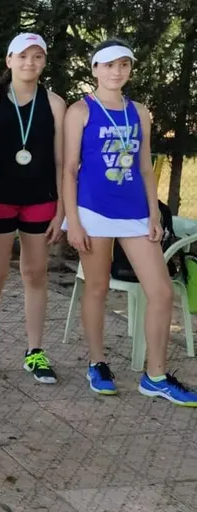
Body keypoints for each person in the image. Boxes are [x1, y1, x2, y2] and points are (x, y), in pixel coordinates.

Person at [62, 39, 197, 405]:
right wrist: (73, 221)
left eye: (123, 64)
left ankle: (155, 376)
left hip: (135, 212)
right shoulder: (80, 110)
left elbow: (144, 167)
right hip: (93, 212)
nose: (117, 71)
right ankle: (97, 363)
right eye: (109, 65)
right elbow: (69, 169)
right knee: (96, 288)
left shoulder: (139, 111)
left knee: (162, 291)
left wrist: (154, 214)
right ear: (95, 69)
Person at [0, 33, 66, 384]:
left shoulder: (55, 103)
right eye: (23, 56)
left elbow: (61, 161)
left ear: (44, 62)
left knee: (35, 274)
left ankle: (35, 351)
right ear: (9, 60)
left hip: (40, 200)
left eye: (37, 56)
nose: (30, 62)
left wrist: (61, 211)